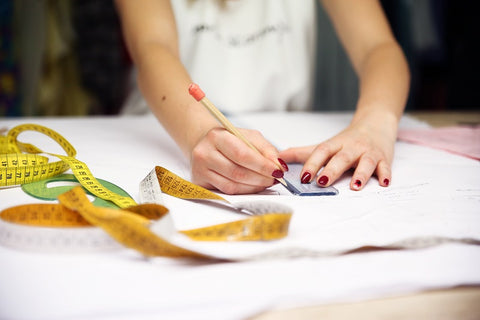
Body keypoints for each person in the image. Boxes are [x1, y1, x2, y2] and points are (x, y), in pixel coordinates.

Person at [114, 0, 410, 195]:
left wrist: (375, 123)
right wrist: (197, 133)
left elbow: (379, 48)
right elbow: (153, 49)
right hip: (166, 132)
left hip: (285, 137)